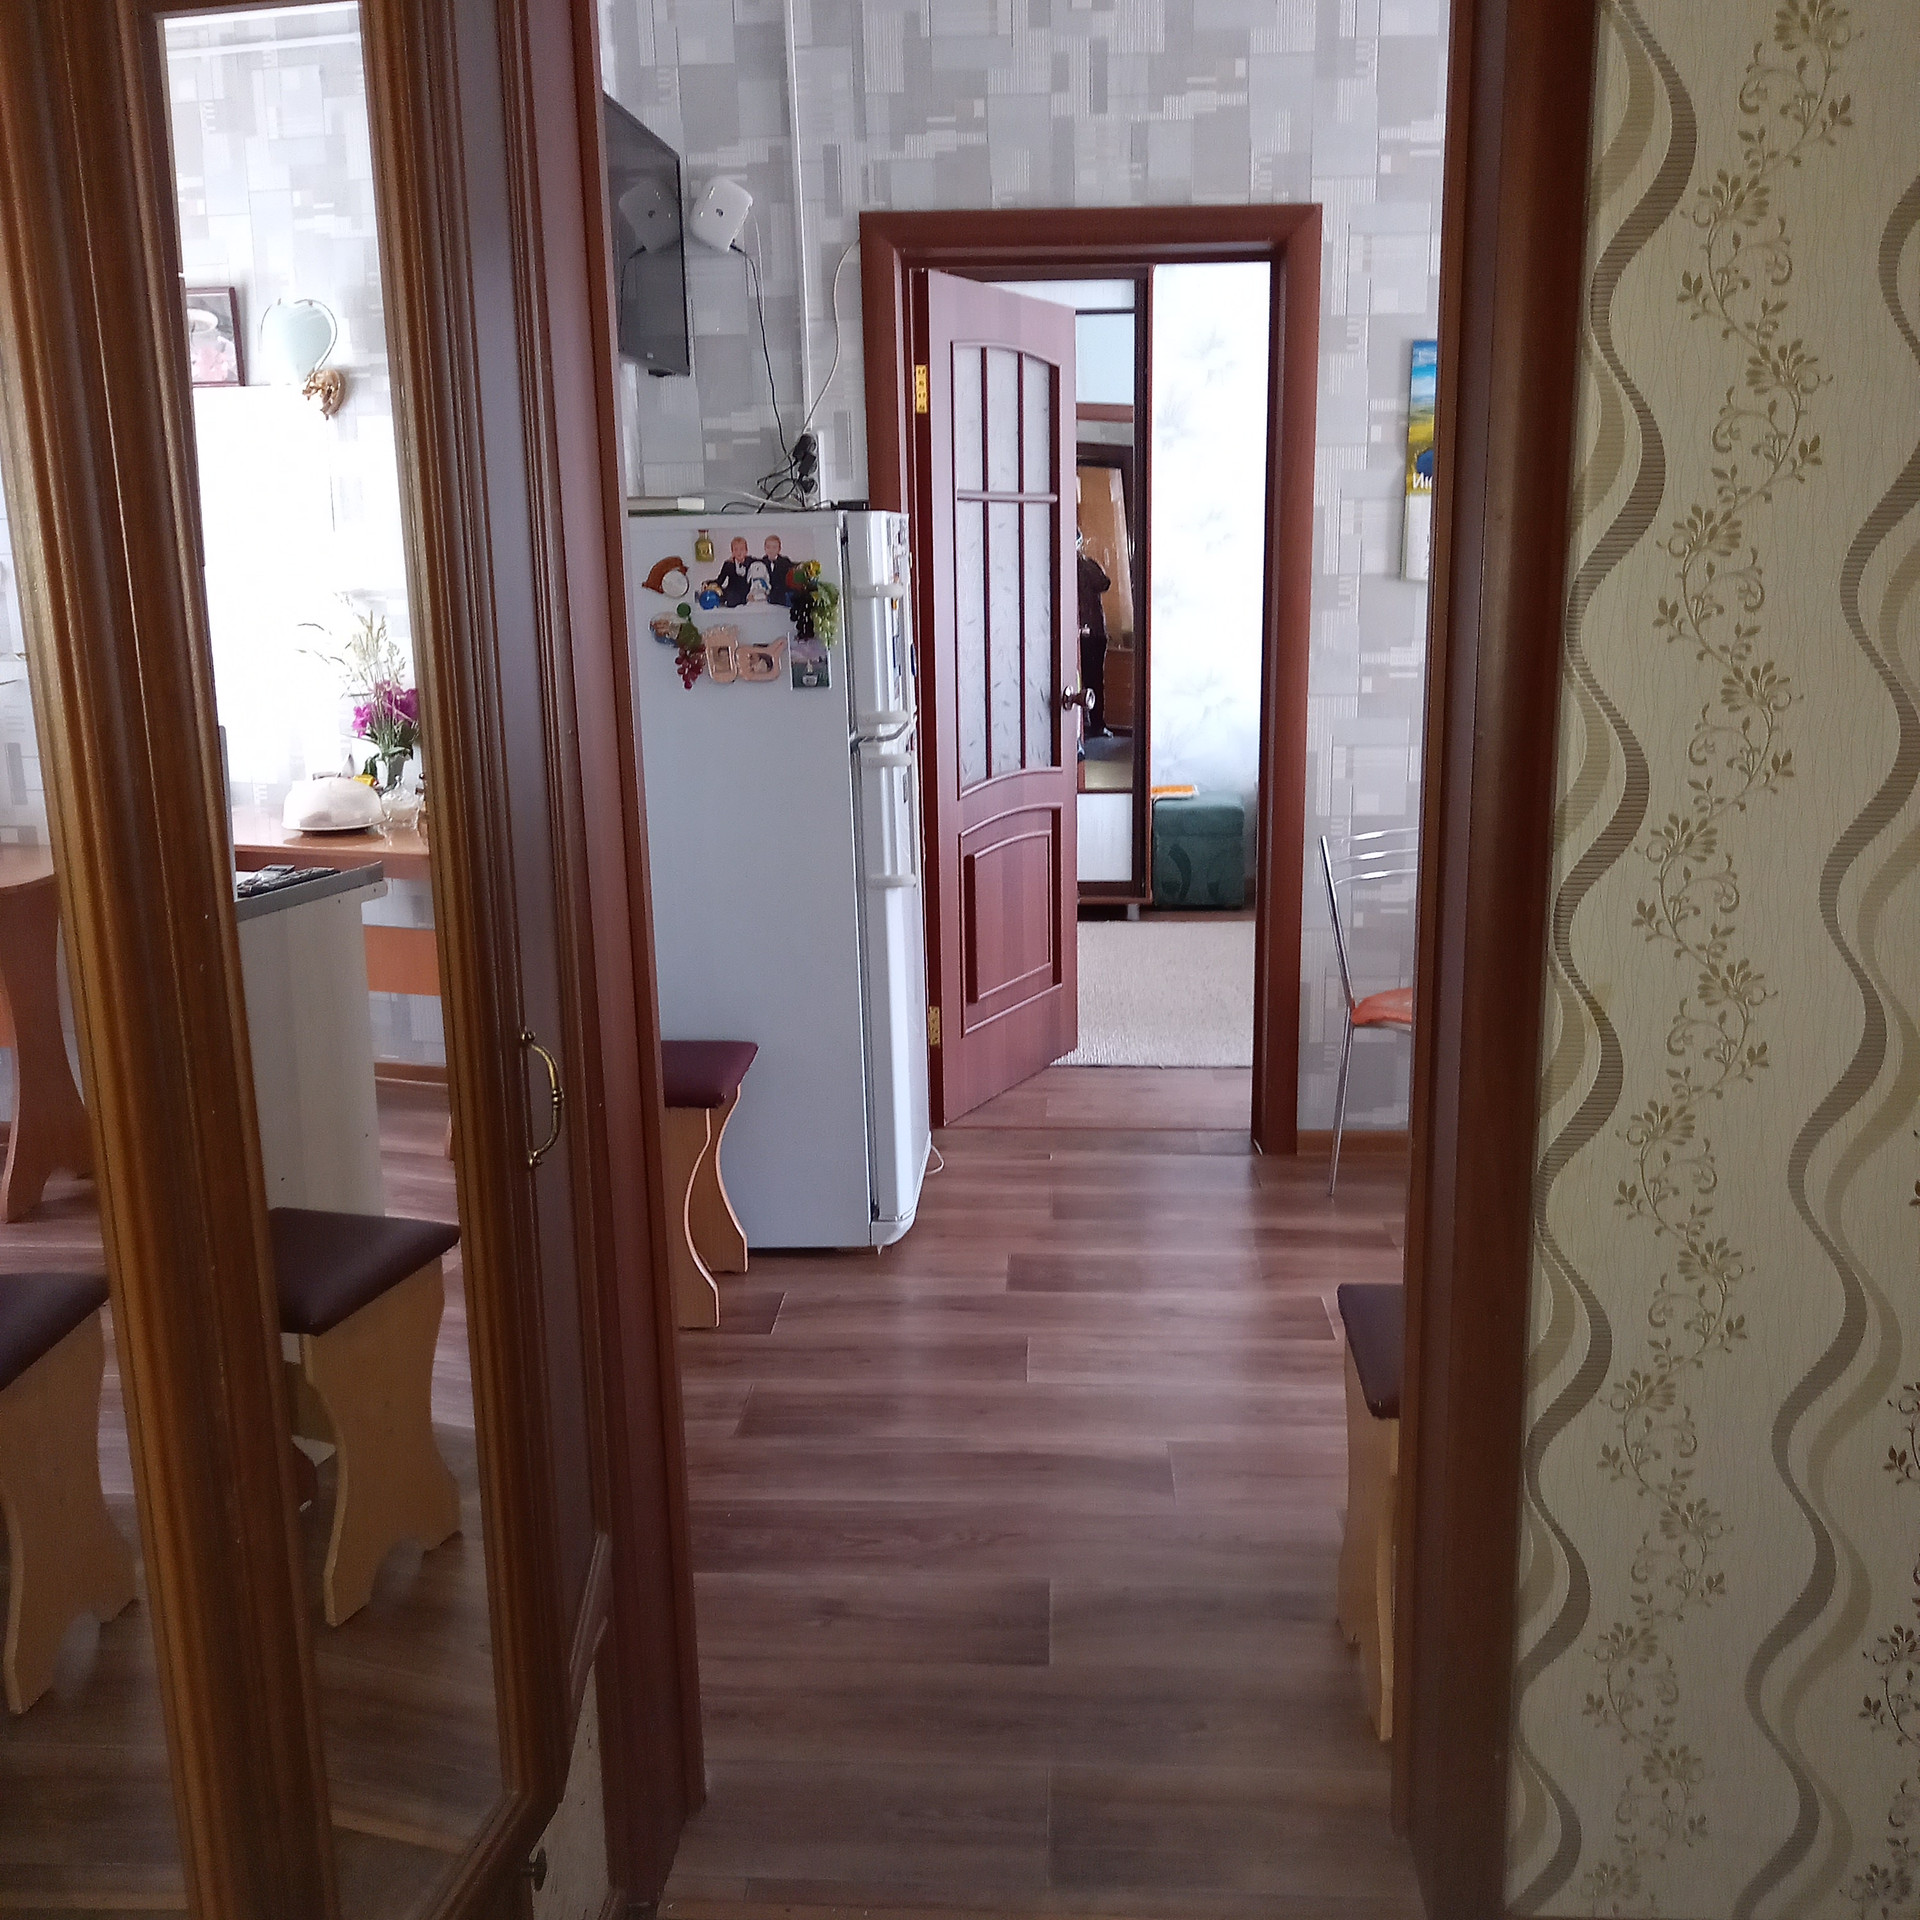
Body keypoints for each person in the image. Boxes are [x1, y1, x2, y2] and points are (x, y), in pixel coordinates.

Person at [1076, 534, 1112, 737]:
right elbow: (1104, 583)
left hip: (1089, 632)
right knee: (1092, 679)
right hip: (1089, 632)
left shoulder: (1083, 566)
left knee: (1090, 679)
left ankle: (1092, 724)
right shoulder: (1085, 565)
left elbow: (1104, 584)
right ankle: (1093, 725)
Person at [709, 534, 755, 607]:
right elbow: (720, 580)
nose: (739, 552)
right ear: (732, 552)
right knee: (725, 596)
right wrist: (708, 583)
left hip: (745, 592)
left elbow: (763, 562)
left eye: (741, 549)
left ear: (746, 551)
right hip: (732, 592)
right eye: (736, 550)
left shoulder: (751, 562)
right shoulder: (728, 564)